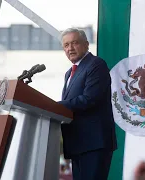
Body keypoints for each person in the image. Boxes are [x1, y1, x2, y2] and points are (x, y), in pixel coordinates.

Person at [58, 28, 117, 180]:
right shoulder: (69, 73)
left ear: (86, 44)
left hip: (94, 143)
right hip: (77, 142)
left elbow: (90, 99)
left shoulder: (96, 64)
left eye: (74, 43)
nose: (70, 48)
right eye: (66, 45)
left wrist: (57, 105)